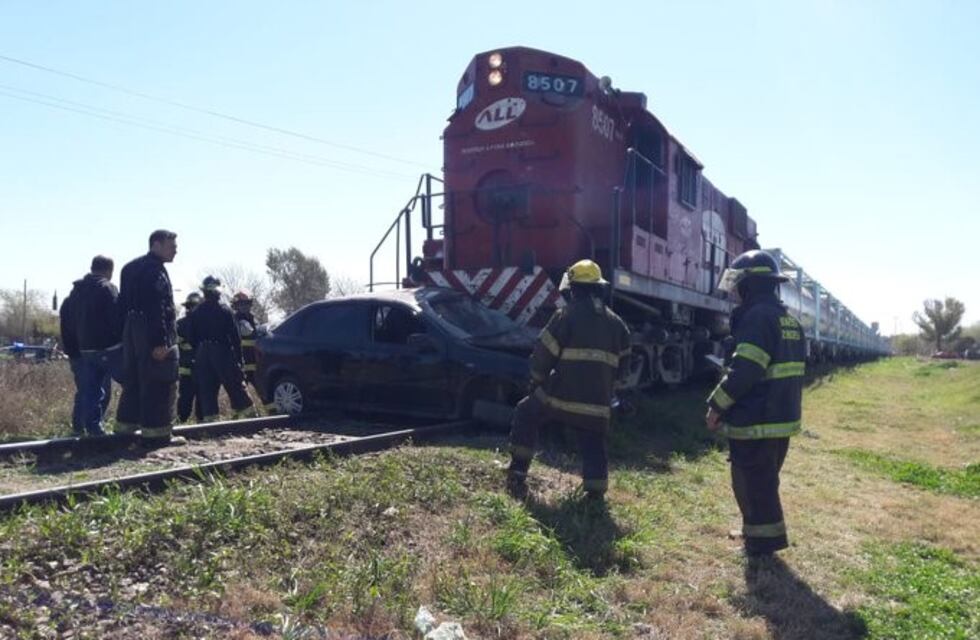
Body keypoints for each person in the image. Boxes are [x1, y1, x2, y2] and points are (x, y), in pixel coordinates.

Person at [706, 249, 805, 557]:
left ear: (748, 285)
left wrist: (717, 405)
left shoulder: (756, 318)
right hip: (779, 417)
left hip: (757, 419)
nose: (735, 292)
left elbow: (746, 369)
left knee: (754, 486)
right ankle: (755, 534)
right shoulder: (788, 321)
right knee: (764, 482)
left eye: (738, 286)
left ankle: (761, 547)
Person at [506, 259, 631, 502]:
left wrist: (536, 381)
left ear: (573, 288)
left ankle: (518, 472)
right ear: (598, 288)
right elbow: (623, 369)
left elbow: (543, 355)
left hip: (559, 397)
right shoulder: (618, 324)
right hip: (597, 405)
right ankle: (595, 494)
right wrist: (608, 392)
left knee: (525, 411)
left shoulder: (565, 315)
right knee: (593, 441)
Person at [116, 230, 181, 446]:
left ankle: (125, 429)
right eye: (171, 246)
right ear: (157, 244)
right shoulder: (155, 271)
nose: (175, 250)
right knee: (159, 381)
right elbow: (157, 308)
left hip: (131, 331)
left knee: (133, 380)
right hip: (150, 332)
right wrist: (160, 341)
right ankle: (157, 435)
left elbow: (123, 305)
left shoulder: (129, 268)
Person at [59, 255, 122, 436]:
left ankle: (79, 429)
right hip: (103, 349)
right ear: (109, 270)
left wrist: (72, 352)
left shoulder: (71, 296)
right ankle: (96, 429)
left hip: (77, 351)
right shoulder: (107, 288)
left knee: (85, 391)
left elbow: (65, 327)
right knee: (105, 390)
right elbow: (115, 319)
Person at [188, 276, 255, 421]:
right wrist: (239, 360)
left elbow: (191, 337)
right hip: (222, 352)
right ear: (219, 291)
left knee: (207, 390)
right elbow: (235, 338)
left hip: (202, 354)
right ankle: (250, 418)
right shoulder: (225, 310)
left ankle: (211, 425)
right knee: (235, 385)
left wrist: (199, 353)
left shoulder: (196, 312)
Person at [176, 292, 204, 423]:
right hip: (187, 368)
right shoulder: (180, 324)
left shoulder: (204, 324)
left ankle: (201, 423)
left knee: (202, 398)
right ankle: (182, 422)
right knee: (186, 398)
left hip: (200, 368)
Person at [231, 290, 258, 385]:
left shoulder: (252, 317)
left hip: (255, 355)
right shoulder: (235, 319)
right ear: (236, 306)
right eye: (241, 304)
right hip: (242, 356)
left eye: (246, 304)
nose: (244, 306)